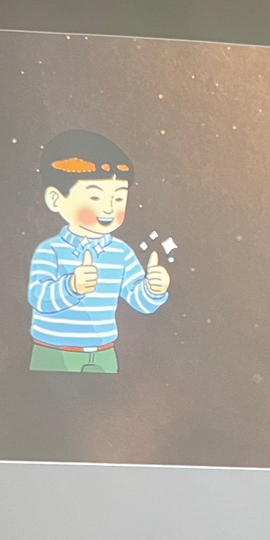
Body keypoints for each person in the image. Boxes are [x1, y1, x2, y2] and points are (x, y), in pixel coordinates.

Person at [28, 130, 170, 373]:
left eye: (119, 198)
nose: (108, 208)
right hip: (53, 354)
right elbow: (38, 298)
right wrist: (71, 287)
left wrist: (154, 289)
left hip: (104, 355)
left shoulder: (121, 253)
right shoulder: (50, 250)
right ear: (55, 199)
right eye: (95, 196)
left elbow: (140, 301)